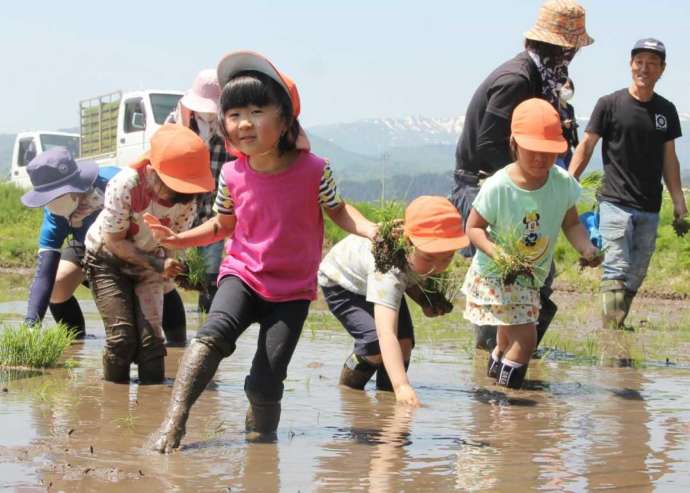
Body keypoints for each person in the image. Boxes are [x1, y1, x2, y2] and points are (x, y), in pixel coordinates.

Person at [149, 51, 377, 452]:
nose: (244, 123)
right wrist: (177, 240)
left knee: (266, 380)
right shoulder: (232, 174)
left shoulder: (314, 170)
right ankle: (174, 423)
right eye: (234, 114)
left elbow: (340, 213)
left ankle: (260, 448)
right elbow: (223, 225)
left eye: (257, 110)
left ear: (285, 120)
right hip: (243, 273)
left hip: (291, 291)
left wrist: (373, 230)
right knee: (212, 335)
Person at [450, 0, 593, 351]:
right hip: (490, 187)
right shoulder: (517, 80)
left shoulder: (542, 79)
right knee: (503, 279)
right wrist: (530, 189)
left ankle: (510, 359)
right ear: (562, 48)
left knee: (534, 277)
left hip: (518, 187)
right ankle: (495, 372)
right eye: (570, 49)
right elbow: (488, 146)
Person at [463, 98, 600, 389]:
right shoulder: (499, 185)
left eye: (548, 153)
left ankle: (492, 390)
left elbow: (571, 223)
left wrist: (586, 248)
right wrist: (498, 254)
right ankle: (508, 401)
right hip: (496, 274)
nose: (540, 159)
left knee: (506, 338)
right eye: (533, 151)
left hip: (528, 277)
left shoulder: (561, 182)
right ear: (514, 143)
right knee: (525, 340)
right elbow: (473, 228)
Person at [569, 38, 688, 329]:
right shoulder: (609, 104)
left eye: (652, 63)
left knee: (636, 273)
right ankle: (612, 333)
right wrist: (567, 183)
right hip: (614, 202)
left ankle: (616, 325)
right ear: (630, 64)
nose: (644, 68)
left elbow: (669, 159)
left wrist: (678, 199)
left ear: (662, 69)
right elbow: (586, 146)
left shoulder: (666, 111)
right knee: (617, 267)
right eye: (639, 62)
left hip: (649, 205)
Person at [83, 124, 215, 384]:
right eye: (174, 189)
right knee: (122, 339)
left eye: (187, 191)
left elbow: (172, 242)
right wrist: (157, 262)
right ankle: (114, 403)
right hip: (106, 258)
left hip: (151, 262)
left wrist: (183, 271)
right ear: (152, 173)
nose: (180, 198)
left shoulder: (188, 199)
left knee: (152, 344)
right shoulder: (125, 184)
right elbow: (114, 241)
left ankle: (152, 406)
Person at [20, 148, 188, 342]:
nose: (52, 205)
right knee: (58, 284)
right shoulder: (56, 215)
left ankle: (178, 345)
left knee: (160, 281)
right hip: (88, 246)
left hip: (135, 238)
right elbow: (45, 272)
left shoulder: (116, 181)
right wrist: (31, 325)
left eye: (56, 197)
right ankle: (77, 341)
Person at [318, 196, 468, 407]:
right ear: (407, 244)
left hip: (374, 282)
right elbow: (386, 333)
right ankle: (350, 391)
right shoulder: (388, 268)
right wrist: (402, 386)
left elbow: (411, 276)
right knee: (374, 345)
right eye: (429, 258)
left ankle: (387, 397)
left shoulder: (417, 254)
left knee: (404, 343)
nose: (438, 267)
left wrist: (425, 301)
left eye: (447, 258)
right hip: (343, 283)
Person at [167, 69, 234, 312]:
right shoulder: (176, 124)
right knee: (171, 273)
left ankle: (205, 329)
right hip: (179, 213)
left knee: (210, 277)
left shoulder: (230, 129)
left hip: (213, 214)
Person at [555, 78, 579, 169]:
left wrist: (577, 146)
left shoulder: (570, 108)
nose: (568, 90)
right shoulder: (555, 106)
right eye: (566, 87)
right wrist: (562, 124)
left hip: (568, 148)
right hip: (558, 148)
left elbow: (574, 130)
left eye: (570, 88)